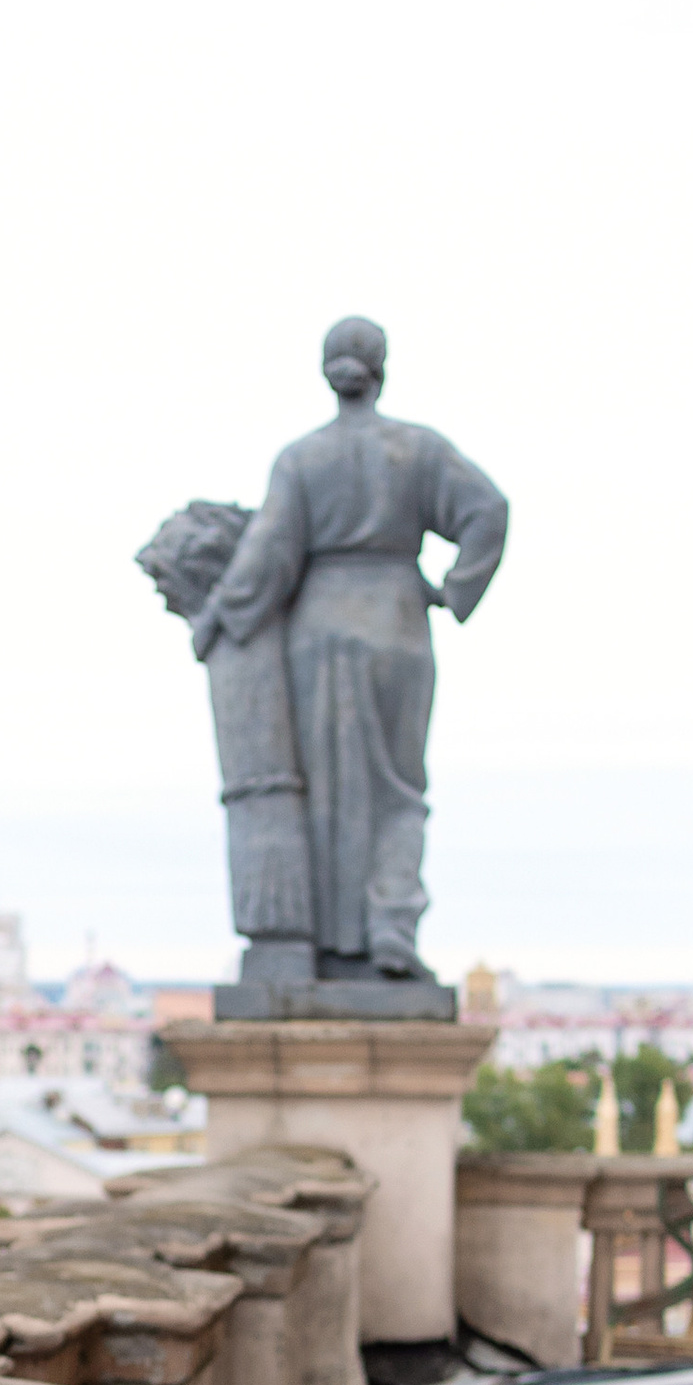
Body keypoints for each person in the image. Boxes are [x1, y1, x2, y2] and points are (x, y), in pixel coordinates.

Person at [197, 315, 508, 979]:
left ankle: (327, 941)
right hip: (396, 621)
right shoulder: (419, 450)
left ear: (328, 371)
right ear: (381, 367)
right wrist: (455, 591)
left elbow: (268, 555)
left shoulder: (302, 458)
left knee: (321, 791)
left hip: (318, 627)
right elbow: (488, 510)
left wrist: (219, 614)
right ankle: (389, 924)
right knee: (397, 787)